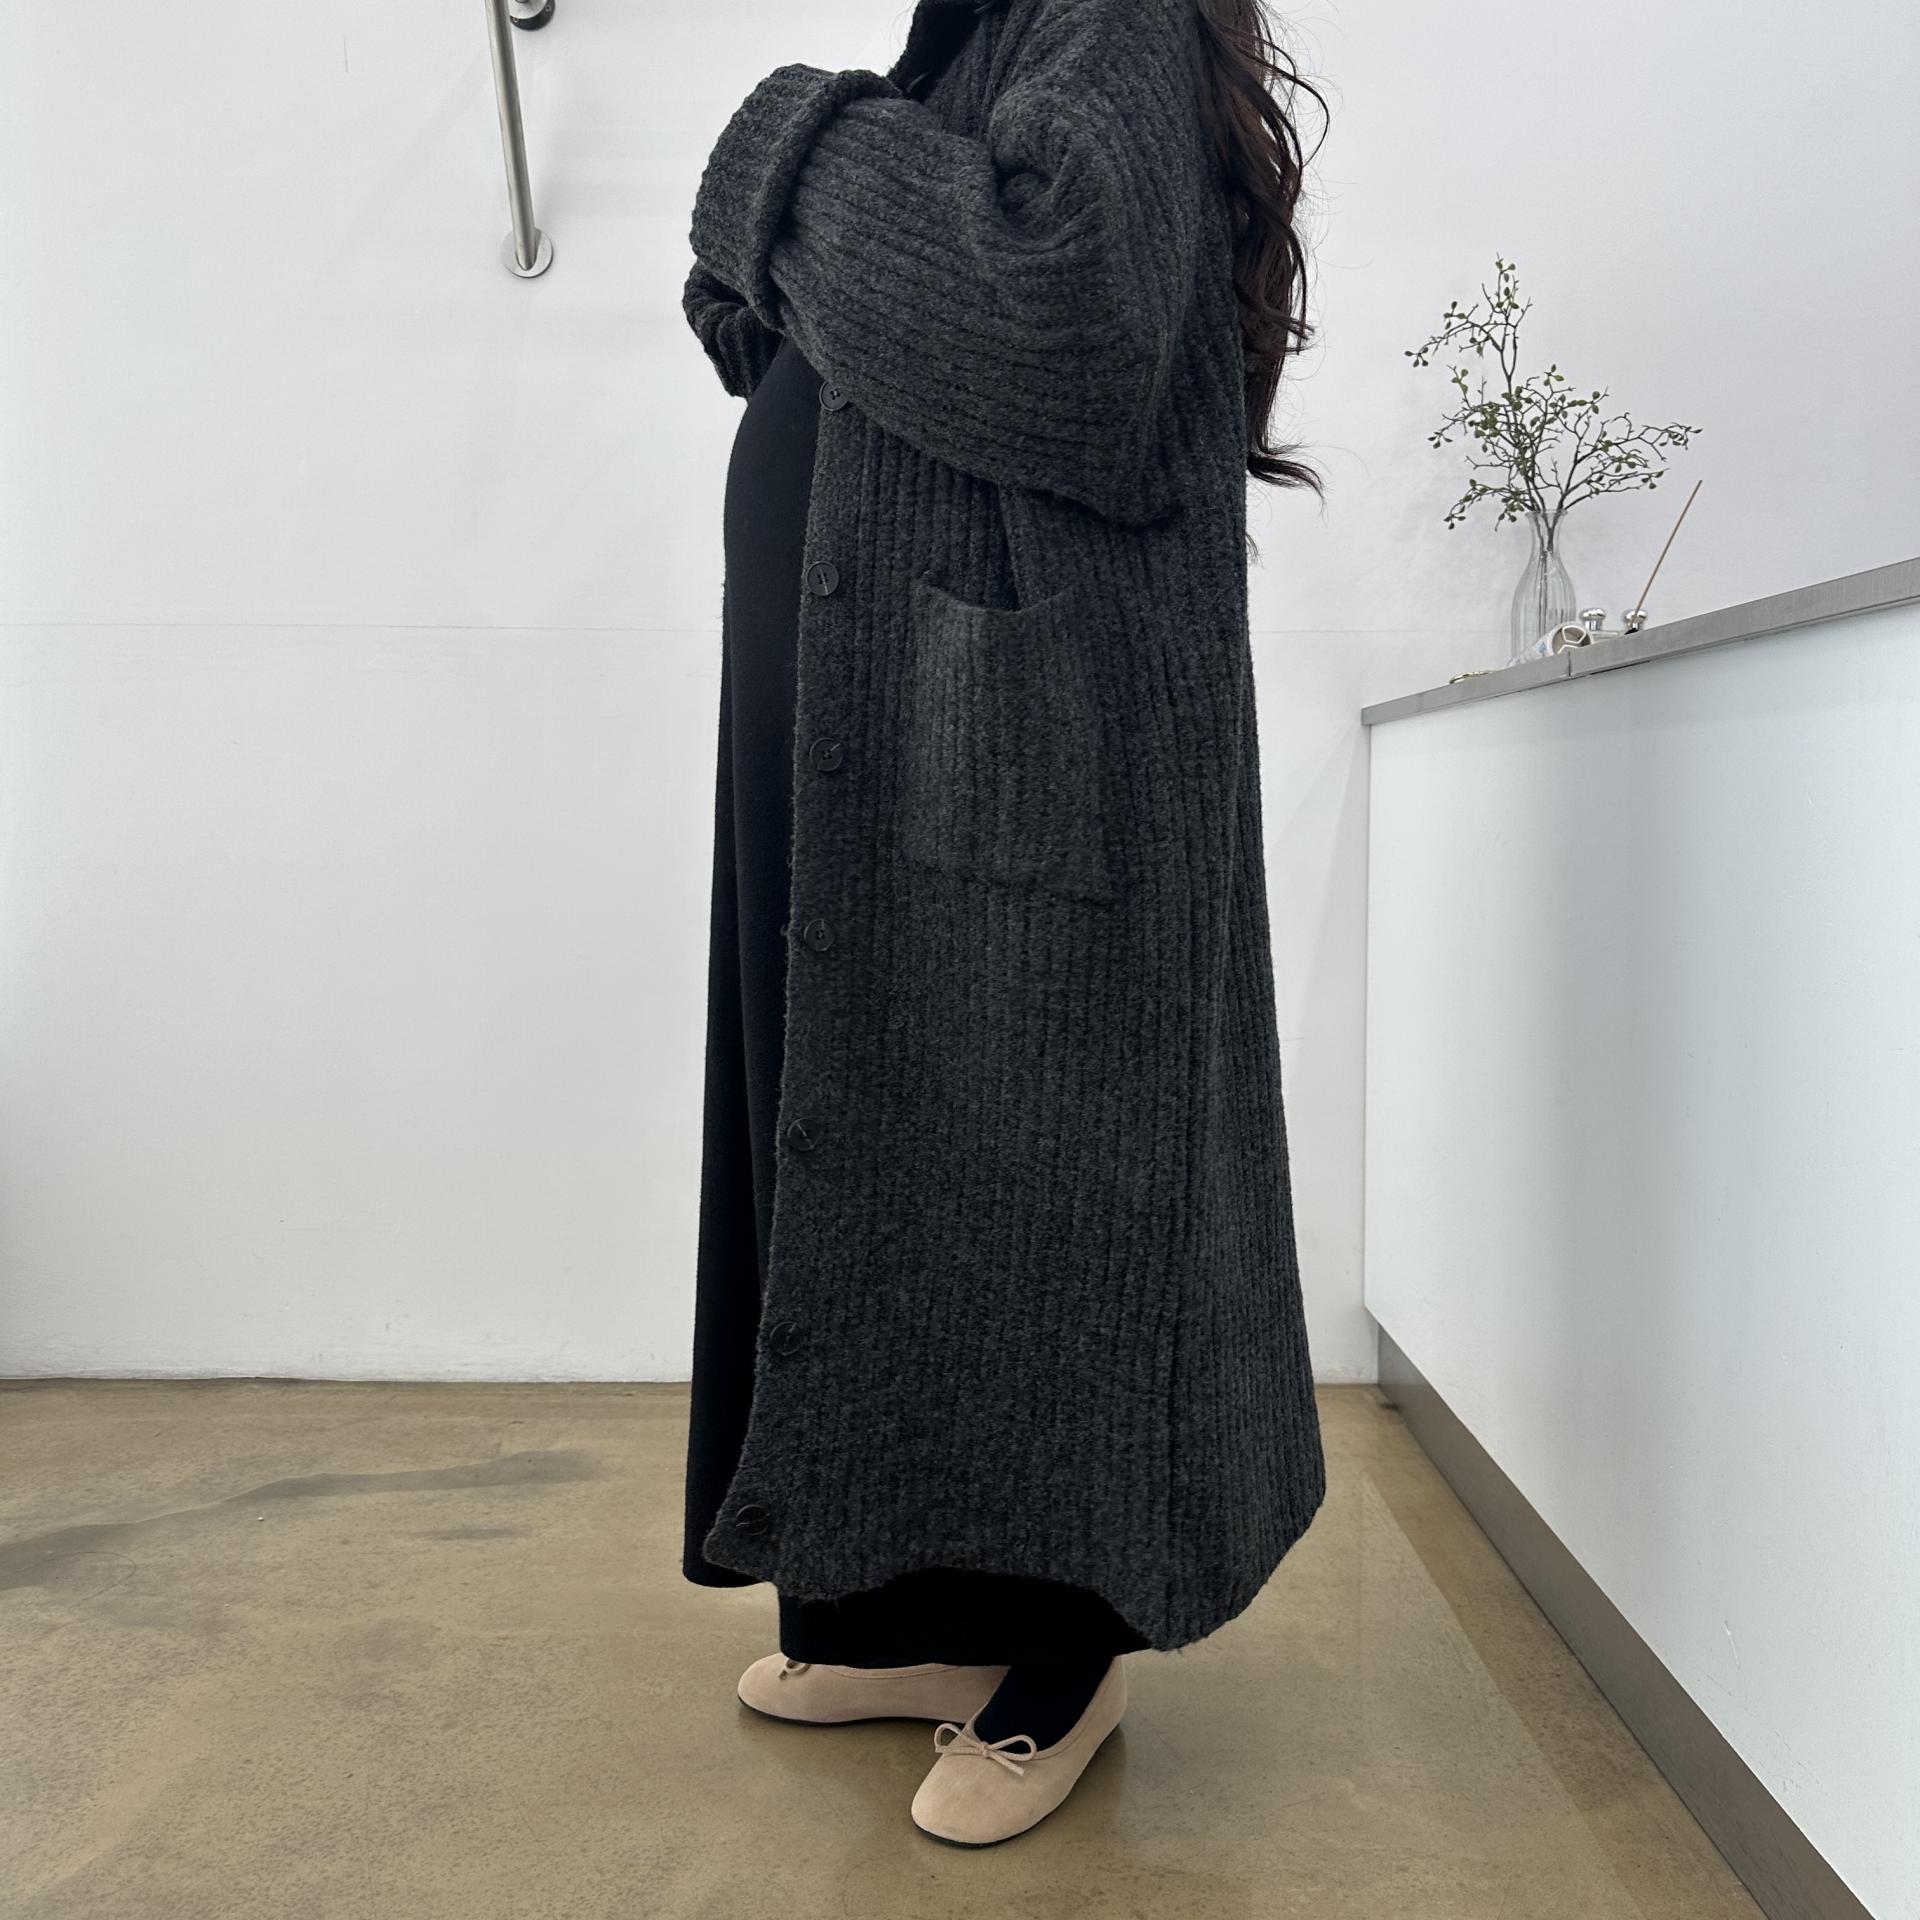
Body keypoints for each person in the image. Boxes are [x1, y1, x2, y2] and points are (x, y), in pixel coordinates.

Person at [680, 0, 1329, 1846]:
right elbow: (762, 325)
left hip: (1014, 718)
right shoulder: (965, 47)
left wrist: (781, 137)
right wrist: (806, 225)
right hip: (862, 712)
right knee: (880, 1148)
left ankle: (1063, 1651)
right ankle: (911, 1620)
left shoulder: (1103, 15)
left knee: (1038, 1170)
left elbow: (1057, 324)